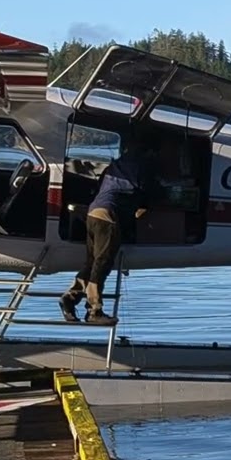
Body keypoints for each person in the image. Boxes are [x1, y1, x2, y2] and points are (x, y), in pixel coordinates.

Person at [59, 137, 155, 325]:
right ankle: (94, 311)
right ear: (148, 153)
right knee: (102, 263)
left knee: (92, 262)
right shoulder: (141, 167)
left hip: (93, 212)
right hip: (108, 216)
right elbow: (148, 193)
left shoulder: (115, 166)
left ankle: (70, 298)